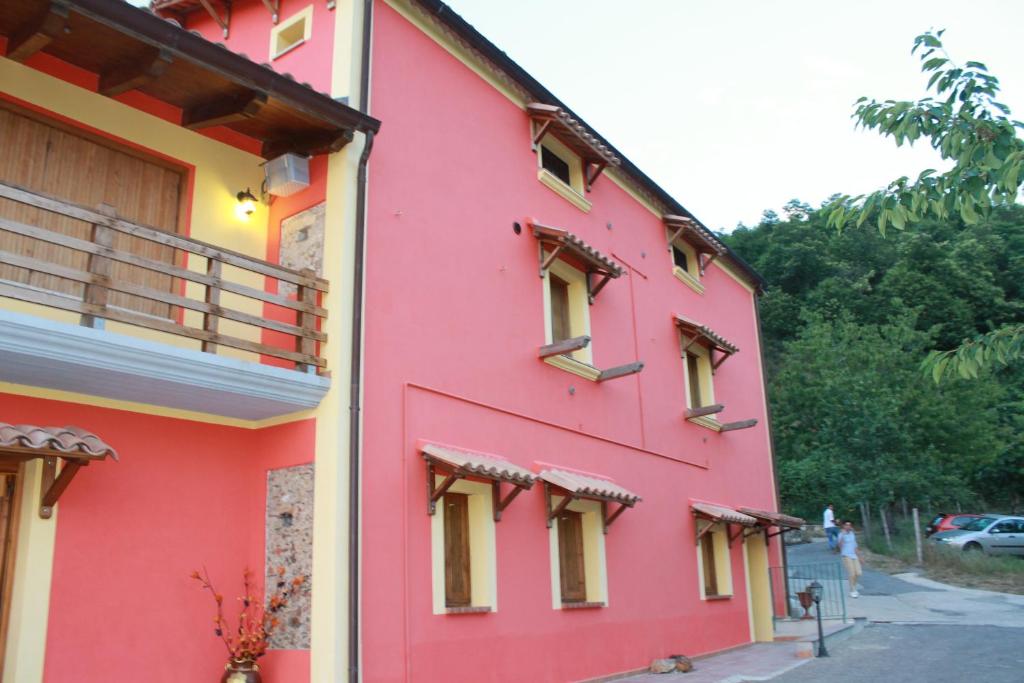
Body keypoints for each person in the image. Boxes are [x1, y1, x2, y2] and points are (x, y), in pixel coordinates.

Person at [837, 520, 863, 598]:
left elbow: (855, 546)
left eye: (849, 525)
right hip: (846, 555)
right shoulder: (841, 534)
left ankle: (853, 587)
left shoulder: (852, 534)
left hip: (854, 555)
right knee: (851, 573)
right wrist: (843, 536)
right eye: (846, 525)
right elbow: (840, 546)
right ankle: (852, 590)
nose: (848, 526)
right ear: (844, 526)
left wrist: (860, 557)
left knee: (858, 573)